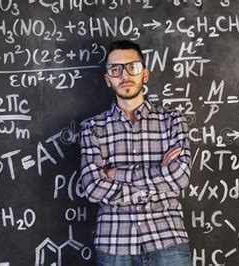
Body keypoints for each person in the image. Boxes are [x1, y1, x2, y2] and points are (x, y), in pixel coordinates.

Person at [79, 40, 193, 266]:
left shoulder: (172, 120)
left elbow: (180, 177)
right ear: (107, 79)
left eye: (133, 67)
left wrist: (114, 175)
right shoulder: (92, 127)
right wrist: (159, 176)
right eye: (116, 69)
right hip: (114, 245)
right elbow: (92, 187)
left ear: (145, 74)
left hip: (167, 239)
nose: (125, 75)